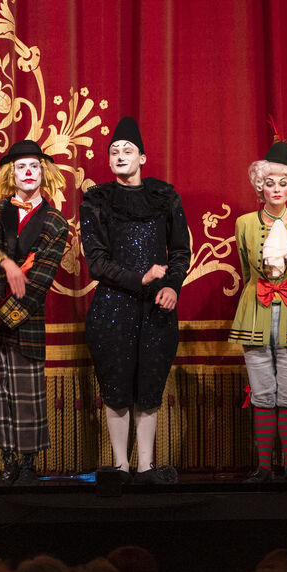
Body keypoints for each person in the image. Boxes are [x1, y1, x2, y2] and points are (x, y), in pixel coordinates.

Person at [78, 116, 192, 484]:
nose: (120, 155)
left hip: (157, 309)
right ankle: (121, 467)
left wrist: (172, 286)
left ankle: (145, 466)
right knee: (116, 388)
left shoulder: (164, 196)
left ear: (143, 158)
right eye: (114, 152)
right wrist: (139, 277)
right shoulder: (96, 200)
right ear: (108, 161)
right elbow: (96, 262)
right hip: (112, 307)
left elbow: (179, 251)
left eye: (128, 150)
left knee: (149, 388)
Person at [0, 138, 73, 485]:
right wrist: (7, 265)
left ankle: (29, 464)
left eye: (33, 166)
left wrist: (6, 319)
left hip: (24, 318)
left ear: (43, 172)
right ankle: (8, 461)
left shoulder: (56, 223)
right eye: (20, 167)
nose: (28, 172)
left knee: (27, 394)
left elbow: (41, 281)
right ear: (10, 175)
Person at [227, 136, 287, 481]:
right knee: (262, 392)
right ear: (260, 186)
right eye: (269, 183)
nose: (276, 189)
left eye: (283, 183)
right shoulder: (243, 223)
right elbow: (245, 268)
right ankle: (264, 465)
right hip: (256, 309)